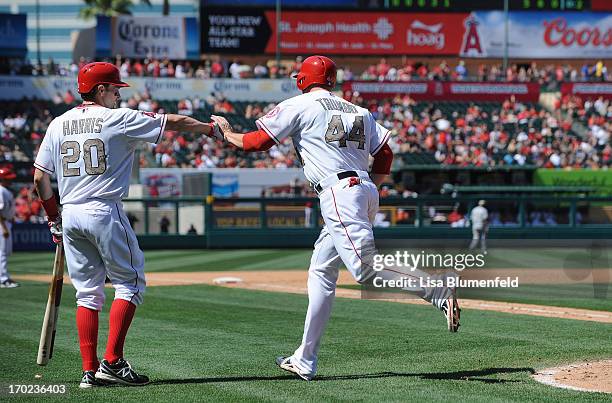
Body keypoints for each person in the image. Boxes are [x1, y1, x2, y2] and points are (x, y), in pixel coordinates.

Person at [211, 55, 460, 382]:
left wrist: (226, 134)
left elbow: (257, 142)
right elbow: (385, 152)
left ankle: (437, 289)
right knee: (321, 270)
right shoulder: (357, 110)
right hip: (362, 188)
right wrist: (374, 186)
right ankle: (305, 359)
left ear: (303, 79)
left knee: (363, 268)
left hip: (339, 191)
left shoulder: (301, 104)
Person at [33, 62, 219, 388]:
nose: (119, 94)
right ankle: (113, 362)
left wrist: (53, 219)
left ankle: (89, 371)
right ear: (100, 90)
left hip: (71, 212)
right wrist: (208, 129)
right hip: (104, 209)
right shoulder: (115, 118)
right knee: (131, 284)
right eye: (115, 88)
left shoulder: (57, 123)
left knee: (87, 295)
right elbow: (172, 121)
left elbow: (39, 178)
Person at [0, 167, 19, 288]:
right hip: (2, 223)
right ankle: (3, 279)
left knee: (5, 252)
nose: (10, 180)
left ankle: (4, 276)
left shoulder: (5, 190)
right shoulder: (1, 190)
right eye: (8, 178)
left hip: (6, 222)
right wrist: (4, 227)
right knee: (2, 252)